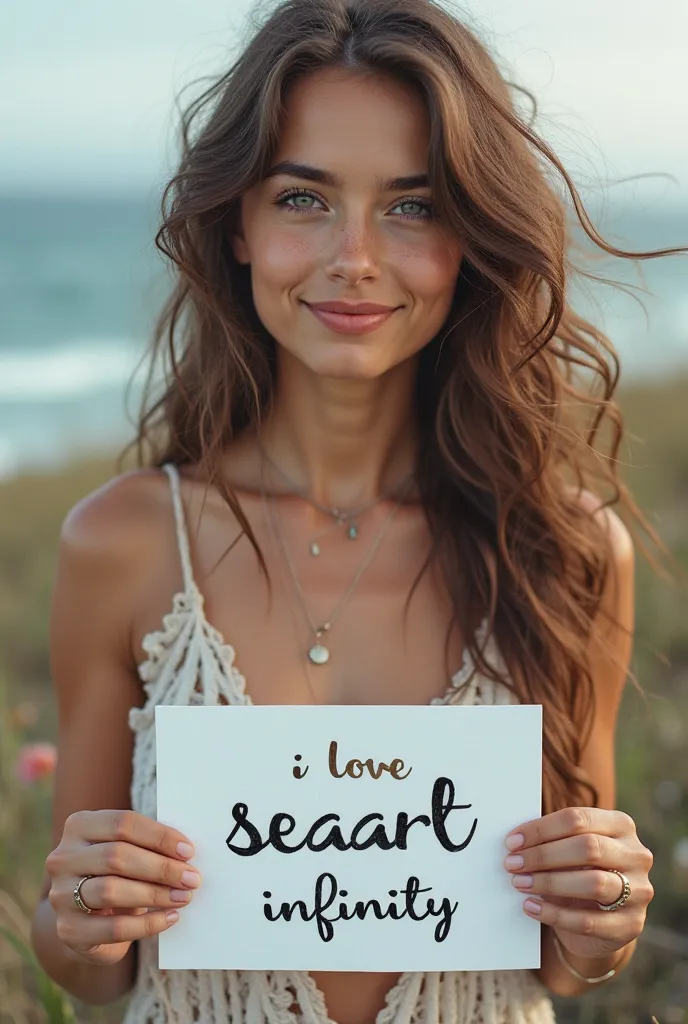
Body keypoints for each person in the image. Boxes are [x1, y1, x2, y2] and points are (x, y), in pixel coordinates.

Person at [32, 0, 683, 1020]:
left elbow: (562, 954)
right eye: (304, 199)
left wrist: (600, 919)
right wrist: (79, 912)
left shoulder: (564, 550)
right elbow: (90, 963)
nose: (355, 256)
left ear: (469, 238)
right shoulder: (122, 543)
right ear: (238, 222)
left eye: (412, 207)